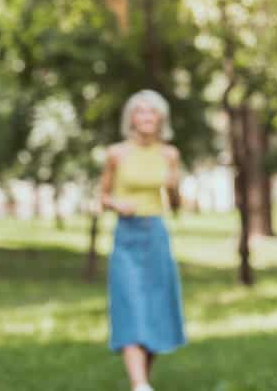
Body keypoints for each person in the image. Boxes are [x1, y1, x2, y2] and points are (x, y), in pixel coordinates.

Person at [100, 90, 186, 391]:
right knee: (131, 305)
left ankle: (142, 382)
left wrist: (175, 189)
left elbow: (175, 205)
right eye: (140, 112)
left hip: (156, 235)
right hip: (127, 236)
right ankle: (139, 385)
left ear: (160, 119)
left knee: (154, 308)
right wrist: (115, 204)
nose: (146, 117)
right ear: (131, 119)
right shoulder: (116, 154)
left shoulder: (169, 154)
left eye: (152, 112)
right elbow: (102, 196)